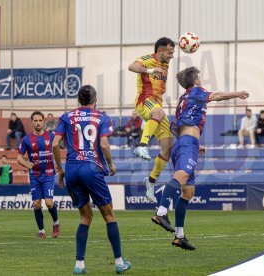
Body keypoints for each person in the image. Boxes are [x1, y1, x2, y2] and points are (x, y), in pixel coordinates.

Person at [151, 66, 249, 250]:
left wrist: (195, 143)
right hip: (187, 143)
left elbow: (181, 125)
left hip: (186, 143)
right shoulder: (197, 91)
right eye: (199, 78)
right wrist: (237, 93)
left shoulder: (184, 99)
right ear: (196, 81)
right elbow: (217, 96)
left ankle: (179, 236)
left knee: (188, 193)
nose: (201, 81)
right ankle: (161, 212)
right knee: (181, 176)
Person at [52, 85, 131, 274]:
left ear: (78, 100)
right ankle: (119, 262)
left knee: (85, 216)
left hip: (71, 168)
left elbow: (55, 143)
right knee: (109, 214)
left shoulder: (67, 117)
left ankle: (79, 265)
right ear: (95, 98)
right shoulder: (102, 118)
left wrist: (60, 170)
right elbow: (104, 143)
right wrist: (111, 165)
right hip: (91, 167)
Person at [128, 37, 175, 202]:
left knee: (168, 148)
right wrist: (149, 71)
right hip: (144, 101)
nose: (172, 56)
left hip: (157, 106)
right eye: (170, 53)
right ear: (160, 51)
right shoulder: (147, 60)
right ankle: (142, 145)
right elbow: (131, 66)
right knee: (160, 113)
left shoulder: (166, 64)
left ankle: (151, 181)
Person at [17, 111, 60, 239]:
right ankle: (41, 231)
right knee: (36, 204)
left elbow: (57, 149)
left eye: (40, 120)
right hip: (35, 175)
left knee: (48, 203)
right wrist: (26, 164)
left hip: (48, 174)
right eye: (35, 121)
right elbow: (19, 158)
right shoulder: (26, 139)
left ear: (43, 122)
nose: (38, 123)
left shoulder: (51, 137)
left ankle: (56, 223)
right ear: (32, 123)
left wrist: (58, 164)